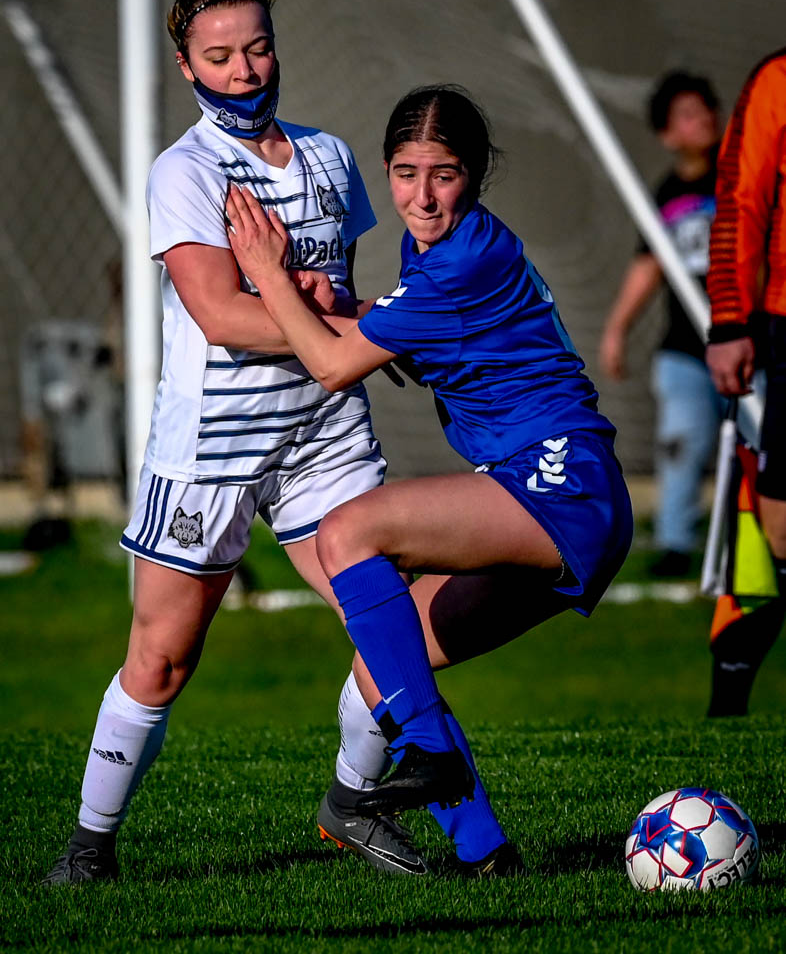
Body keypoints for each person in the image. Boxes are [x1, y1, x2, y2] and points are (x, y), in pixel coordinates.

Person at [43, 0, 428, 884]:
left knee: (395, 625)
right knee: (163, 658)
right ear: (187, 66)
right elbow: (221, 314)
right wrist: (345, 324)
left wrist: (357, 316)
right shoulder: (184, 172)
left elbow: (338, 294)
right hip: (214, 443)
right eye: (219, 55)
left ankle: (353, 803)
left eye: (257, 47)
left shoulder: (330, 156)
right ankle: (89, 849)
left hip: (325, 431)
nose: (245, 69)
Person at [225, 84, 634, 821]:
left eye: (443, 174)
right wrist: (342, 307)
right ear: (387, 169)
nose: (422, 195)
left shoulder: (460, 261)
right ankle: (486, 858)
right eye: (406, 173)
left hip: (560, 481)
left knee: (347, 532)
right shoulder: (443, 251)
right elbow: (416, 337)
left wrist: (269, 274)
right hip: (548, 486)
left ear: (473, 175)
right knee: (386, 662)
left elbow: (332, 366)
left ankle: (429, 752)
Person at [599, 71, 725, 577]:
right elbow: (648, 265)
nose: (705, 122)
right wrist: (616, 330)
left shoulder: (745, 175)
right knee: (682, 442)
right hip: (685, 349)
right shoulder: (668, 194)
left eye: (707, 110)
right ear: (668, 134)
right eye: (689, 116)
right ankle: (675, 545)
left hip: (754, 341)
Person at [704, 49, 786, 715]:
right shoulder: (777, 81)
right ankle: (734, 682)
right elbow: (742, 202)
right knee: (780, 520)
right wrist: (731, 320)